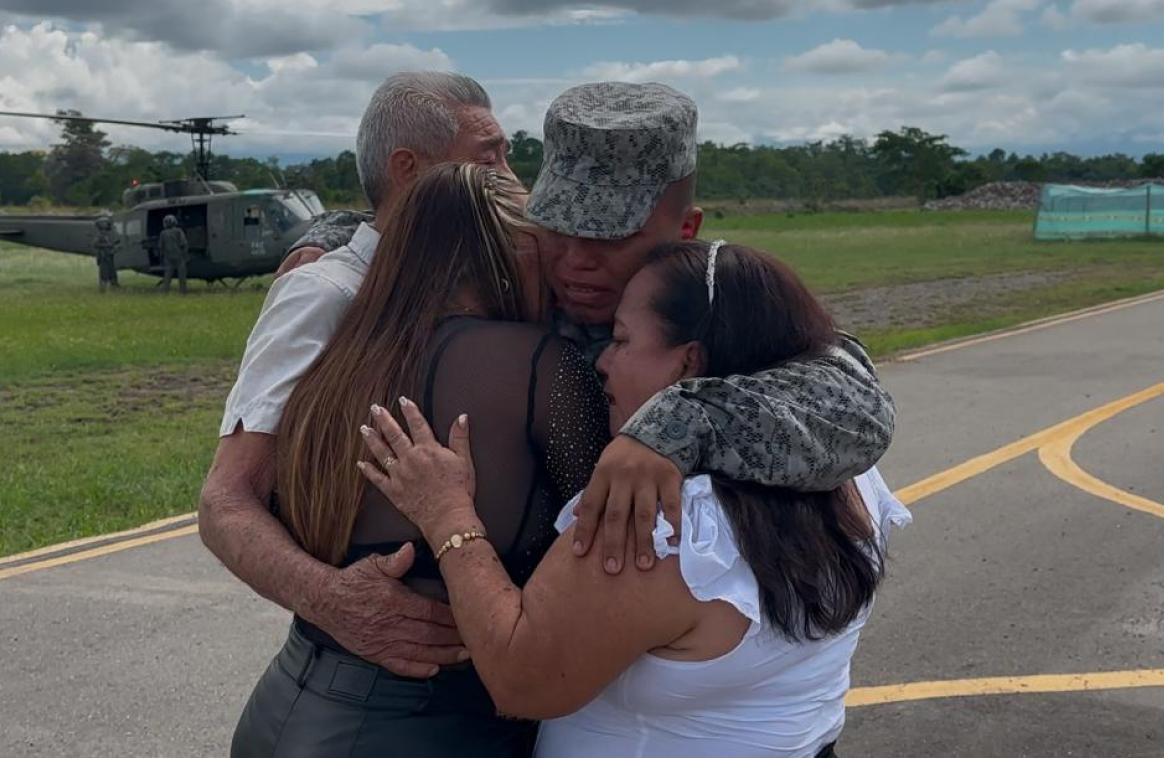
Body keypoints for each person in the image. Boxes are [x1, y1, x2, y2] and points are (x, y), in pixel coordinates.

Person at [200, 78, 892, 698]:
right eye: (558, 227)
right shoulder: (510, 274)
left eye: (612, 236)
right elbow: (426, 227)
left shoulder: (715, 303)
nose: (575, 261)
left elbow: (854, 404)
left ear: (685, 232)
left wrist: (676, 425)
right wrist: (339, 231)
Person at [359, 239, 912, 758]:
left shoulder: (658, 516)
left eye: (622, 340)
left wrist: (448, 515)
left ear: (688, 363)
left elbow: (520, 680)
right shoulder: (842, 471)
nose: (603, 361)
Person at [230, 162, 605, 755]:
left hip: (286, 701)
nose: (559, 268)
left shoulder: (342, 361)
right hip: (432, 723)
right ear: (503, 251)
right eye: (542, 246)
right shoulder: (538, 366)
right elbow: (603, 535)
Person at [158, 214, 189, 293]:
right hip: (179, 255)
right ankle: (182, 291)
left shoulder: (163, 233)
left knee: (167, 275)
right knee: (182, 275)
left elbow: (160, 247)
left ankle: (166, 291)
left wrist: (161, 257)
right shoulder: (179, 231)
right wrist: (184, 255)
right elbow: (184, 243)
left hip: (168, 257)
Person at [92, 215, 120, 292]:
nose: (105, 224)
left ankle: (114, 286)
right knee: (104, 273)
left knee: (112, 272)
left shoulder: (109, 234)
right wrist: (107, 245)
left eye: (106, 223)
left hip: (110, 255)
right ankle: (102, 289)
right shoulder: (99, 235)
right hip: (103, 256)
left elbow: (113, 243)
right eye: (103, 223)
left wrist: (115, 246)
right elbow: (95, 244)